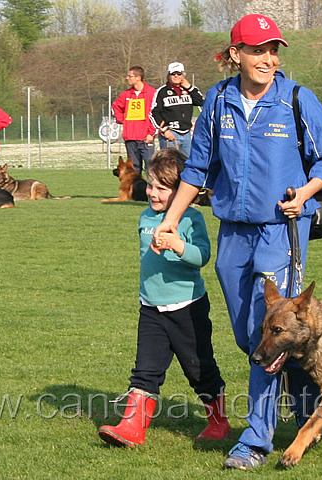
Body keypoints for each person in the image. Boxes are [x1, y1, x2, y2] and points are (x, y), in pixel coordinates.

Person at [151, 14, 322, 470]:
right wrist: (171, 222)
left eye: (273, 49)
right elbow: (197, 169)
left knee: (268, 339)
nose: (268, 58)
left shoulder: (297, 98)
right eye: (258, 50)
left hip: (281, 231)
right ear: (235, 54)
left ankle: (254, 441)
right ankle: (308, 408)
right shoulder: (218, 99)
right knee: (251, 337)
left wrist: (305, 193)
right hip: (233, 234)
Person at [98, 147, 231, 448]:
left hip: (187, 309)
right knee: (145, 370)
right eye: (151, 184)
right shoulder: (145, 216)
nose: (153, 192)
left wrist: (178, 246)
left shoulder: (190, 219)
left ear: (182, 192)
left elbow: (203, 256)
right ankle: (132, 428)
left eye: (163, 188)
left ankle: (219, 422)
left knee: (200, 370)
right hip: (151, 309)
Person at [150, 62, 205, 157]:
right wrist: (165, 130)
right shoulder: (162, 92)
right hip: (171, 133)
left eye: (179, 74)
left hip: (187, 133)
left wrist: (189, 87)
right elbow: (154, 113)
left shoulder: (189, 90)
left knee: (187, 164)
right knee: (169, 166)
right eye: (173, 74)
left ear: (183, 75)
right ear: (168, 75)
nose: (176, 76)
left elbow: (201, 101)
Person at [111, 66, 157, 176]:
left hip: (146, 138)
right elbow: (115, 107)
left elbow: (158, 115)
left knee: (150, 168)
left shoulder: (152, 93)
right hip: (130, 138)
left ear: (138, 77)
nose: (127, 78)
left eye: (129, 76)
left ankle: (151, 192)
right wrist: (121, 120)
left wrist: (152, 133)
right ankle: (135, 192)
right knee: (133, 169)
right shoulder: (125, 95)